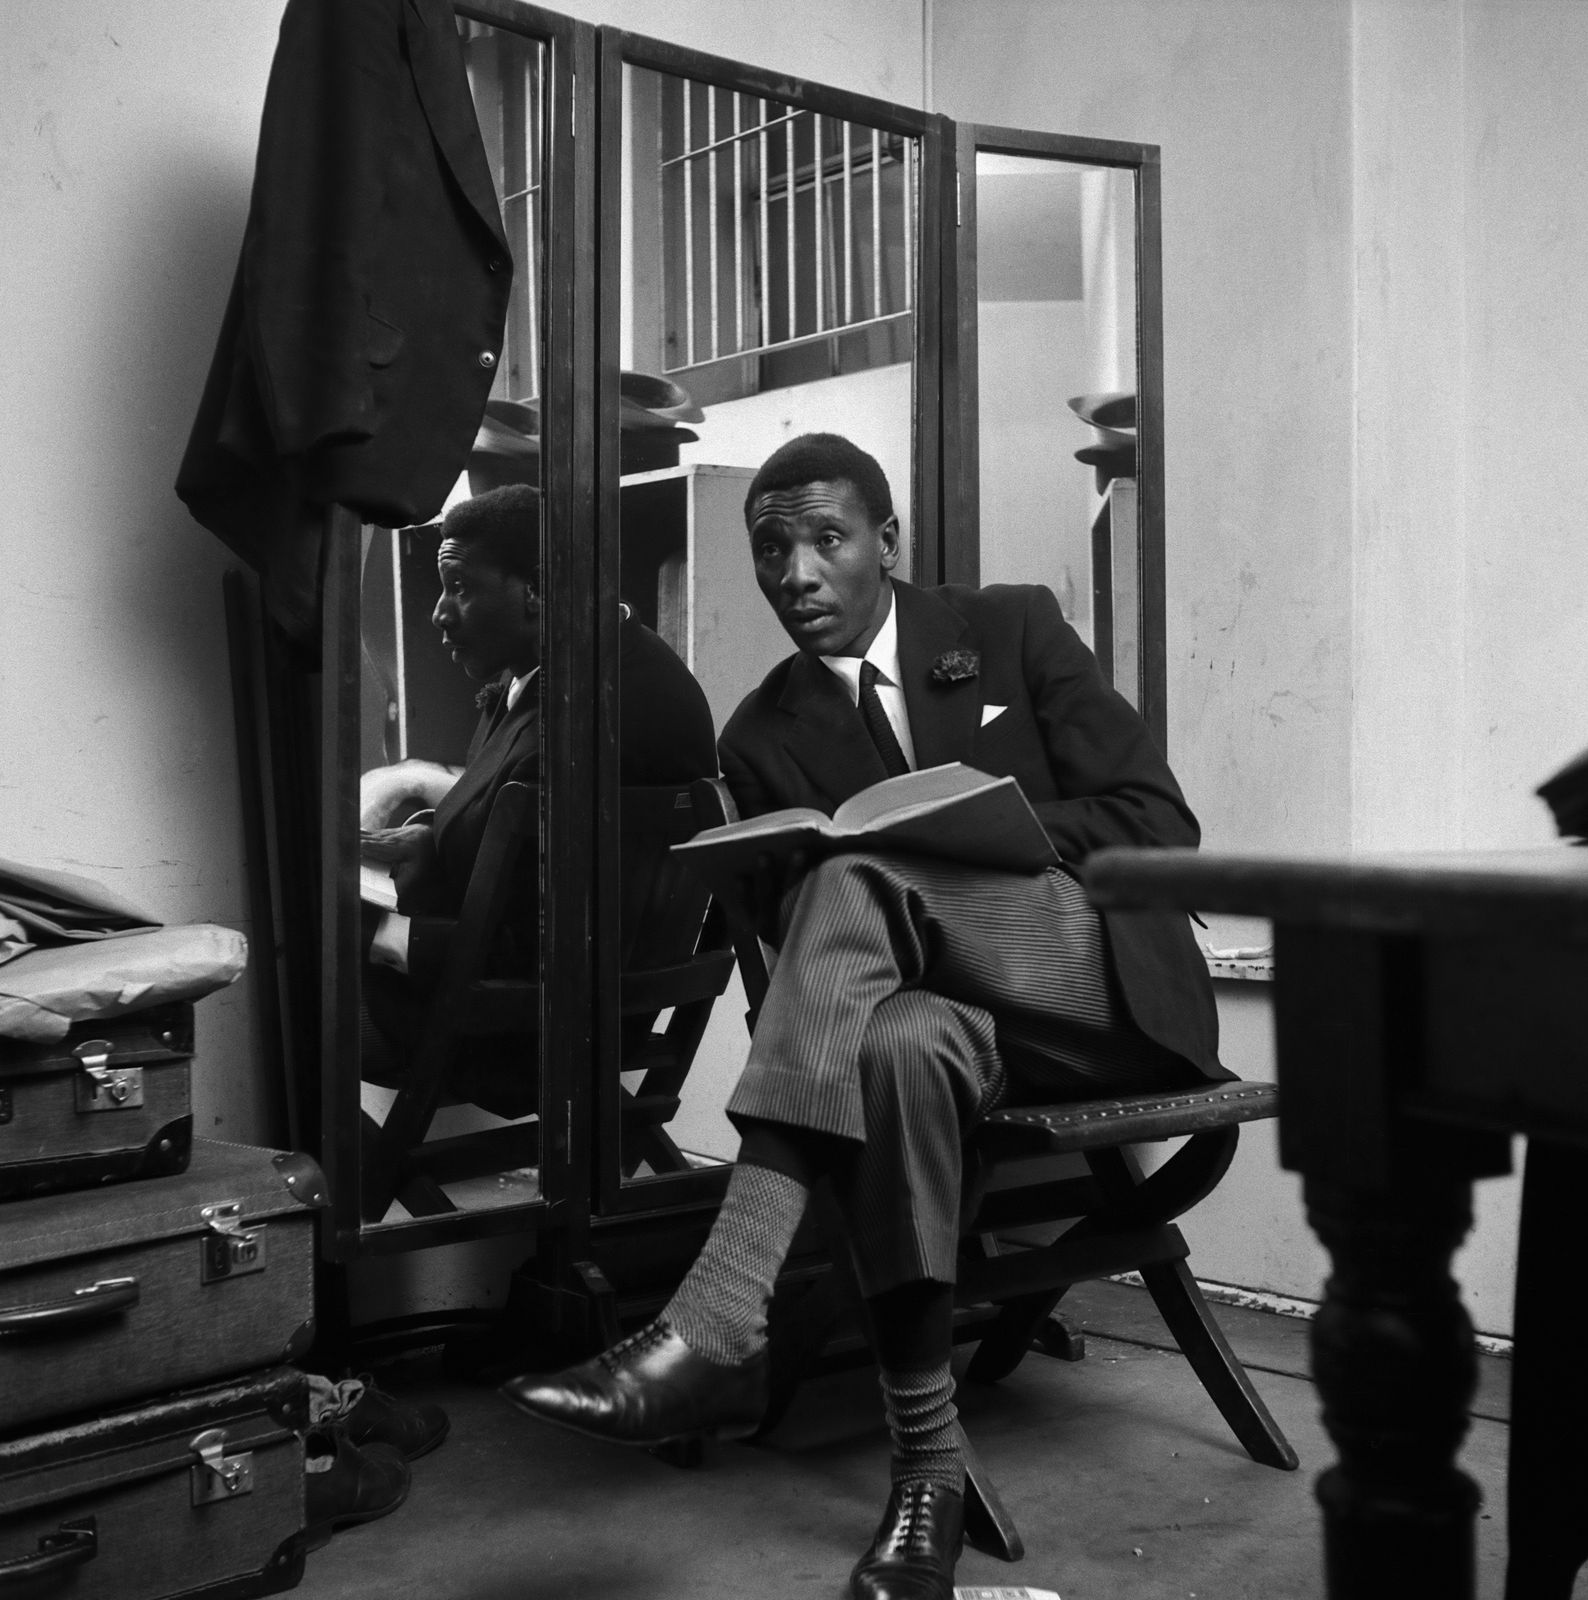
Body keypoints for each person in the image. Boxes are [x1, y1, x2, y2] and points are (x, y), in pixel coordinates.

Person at [501, 434, 1225, 1599]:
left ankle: (719, 1316)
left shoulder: (1009, 628)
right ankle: (924, 1478)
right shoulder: (760, 732)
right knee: (891, 1043)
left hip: (1100, 995)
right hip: (954, 1034)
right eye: (769, 547)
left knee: (860, 876)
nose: (796, 571)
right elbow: (822, 966)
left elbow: (1157, 822)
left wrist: (976, 834)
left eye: (826, 538)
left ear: (886, 543)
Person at [358, 481, 717, 1112]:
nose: (440, 613)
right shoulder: (602, 663)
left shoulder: (578, 717)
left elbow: (538, 943)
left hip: (524, 1031)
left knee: (302, 978)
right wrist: (429, 837)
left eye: (461, 587)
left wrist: (380, 934)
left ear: (537, 591)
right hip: (591, 1013)